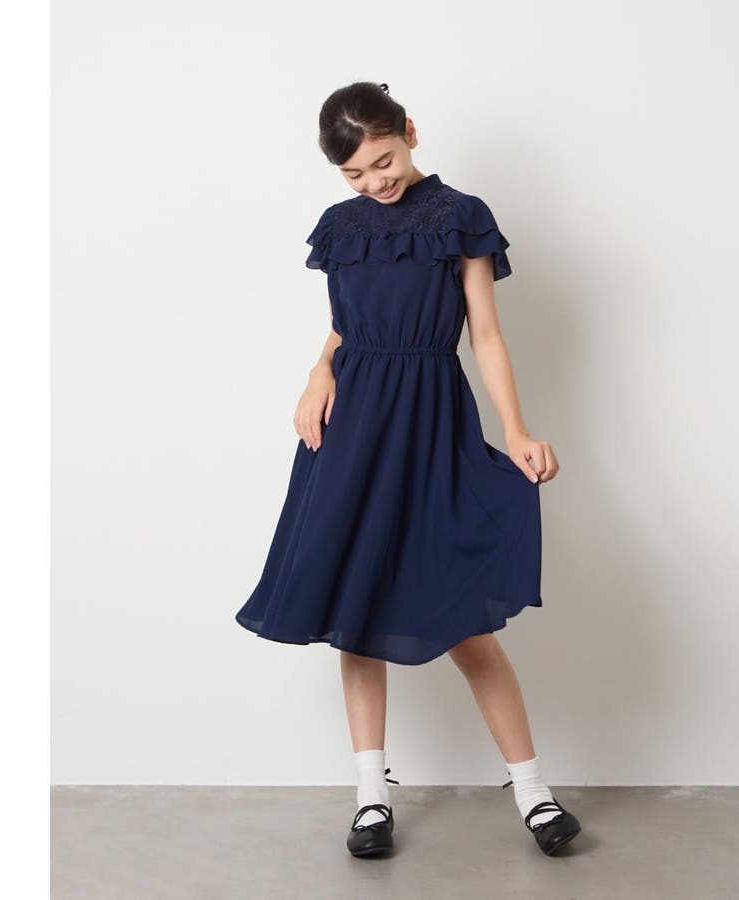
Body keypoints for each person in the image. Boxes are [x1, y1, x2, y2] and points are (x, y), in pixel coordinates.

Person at [235, 81, 582, 857]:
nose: (374, 182)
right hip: (351, 428)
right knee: (355, 616)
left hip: (429, 425)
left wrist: (516, 430)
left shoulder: (459, 216)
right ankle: (371, 798)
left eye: (383, 162)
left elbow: (484, 333)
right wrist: (318, 373)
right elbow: (345, 324)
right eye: (355, 173)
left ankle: (532, 792)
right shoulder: (341, 226)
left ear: (410, 133)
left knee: (467, 621)